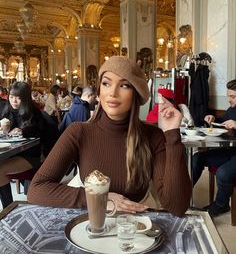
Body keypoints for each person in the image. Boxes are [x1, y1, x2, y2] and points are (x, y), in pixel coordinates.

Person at [28, 56, 191, 216]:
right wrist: (99, 198)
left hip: (134, 231)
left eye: (124, 85)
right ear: (99, 92)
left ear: (136, 94)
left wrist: (171, 135)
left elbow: (177, 207)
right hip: (91, 224)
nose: (112, 93)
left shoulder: (152, 136)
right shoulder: (79, 132)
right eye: (106, 83)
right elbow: (36, 190)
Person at [192, 79, 236, 216]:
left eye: (233, 96)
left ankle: (221, 205)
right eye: (228, 95)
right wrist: (213, 119)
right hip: (230, 150)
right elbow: (223, 122)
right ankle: (183, 193)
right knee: (197, 158)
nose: (229, 99)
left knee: (223, 172)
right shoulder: (232, 109)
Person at [0, 81, 45, 208]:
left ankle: (8, 210)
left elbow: (39, 132)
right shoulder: (7, 110)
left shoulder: (34, 112)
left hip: (32, 156)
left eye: (18, 98)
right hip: (12, 154)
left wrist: (23, 131)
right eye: (11, 97)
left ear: (25, 98)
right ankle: (8, 208)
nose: (14, 101)